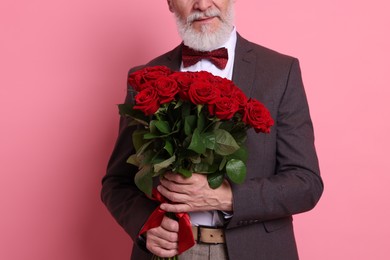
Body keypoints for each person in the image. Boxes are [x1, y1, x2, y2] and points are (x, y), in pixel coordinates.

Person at [101, 0, 324, 259]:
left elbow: (306, 183)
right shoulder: (145, 77)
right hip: (168, 252)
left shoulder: (280, 72)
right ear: (171, 4)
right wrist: (145, 225)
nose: (203, 4)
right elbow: (116, 183)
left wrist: (226, 197)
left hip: (257, 251)